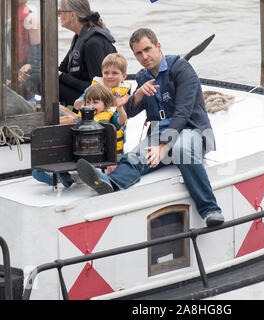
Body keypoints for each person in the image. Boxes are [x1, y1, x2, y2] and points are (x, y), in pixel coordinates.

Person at [76, 28, 224, 227]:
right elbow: (129, 111)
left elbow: (183, 113)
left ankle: (210, 209)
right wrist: (138, 95)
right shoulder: (143, 77)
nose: (144, 56)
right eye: (138, 53)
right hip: (159, 135)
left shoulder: (182, 69)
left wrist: (163, 147)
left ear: (158, 46)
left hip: (192, 131)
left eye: (148, 49)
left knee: (182, 150)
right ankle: (110, 184)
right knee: (133, 158)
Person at [32, 84, 127, 187]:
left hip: (99, 161)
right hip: (80, 159)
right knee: (37, 172)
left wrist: (120, 108)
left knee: (87, 171)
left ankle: (74, 178)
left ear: (106, 104)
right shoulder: (81, 117)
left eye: (95, 102)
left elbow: (121, 121)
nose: (90, 105)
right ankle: (63, 178)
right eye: (88, 102)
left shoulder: (111, 116)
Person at [57, 0, 117, 108]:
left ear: (72, 15)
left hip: (101, 101)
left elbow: (99, 87)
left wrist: (63, 77)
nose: (58, 15)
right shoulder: (79, 37)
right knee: (40, 79)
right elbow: (62, 69)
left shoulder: (93, 43)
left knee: (52, 86)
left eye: (60, 11)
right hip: (85, 93)